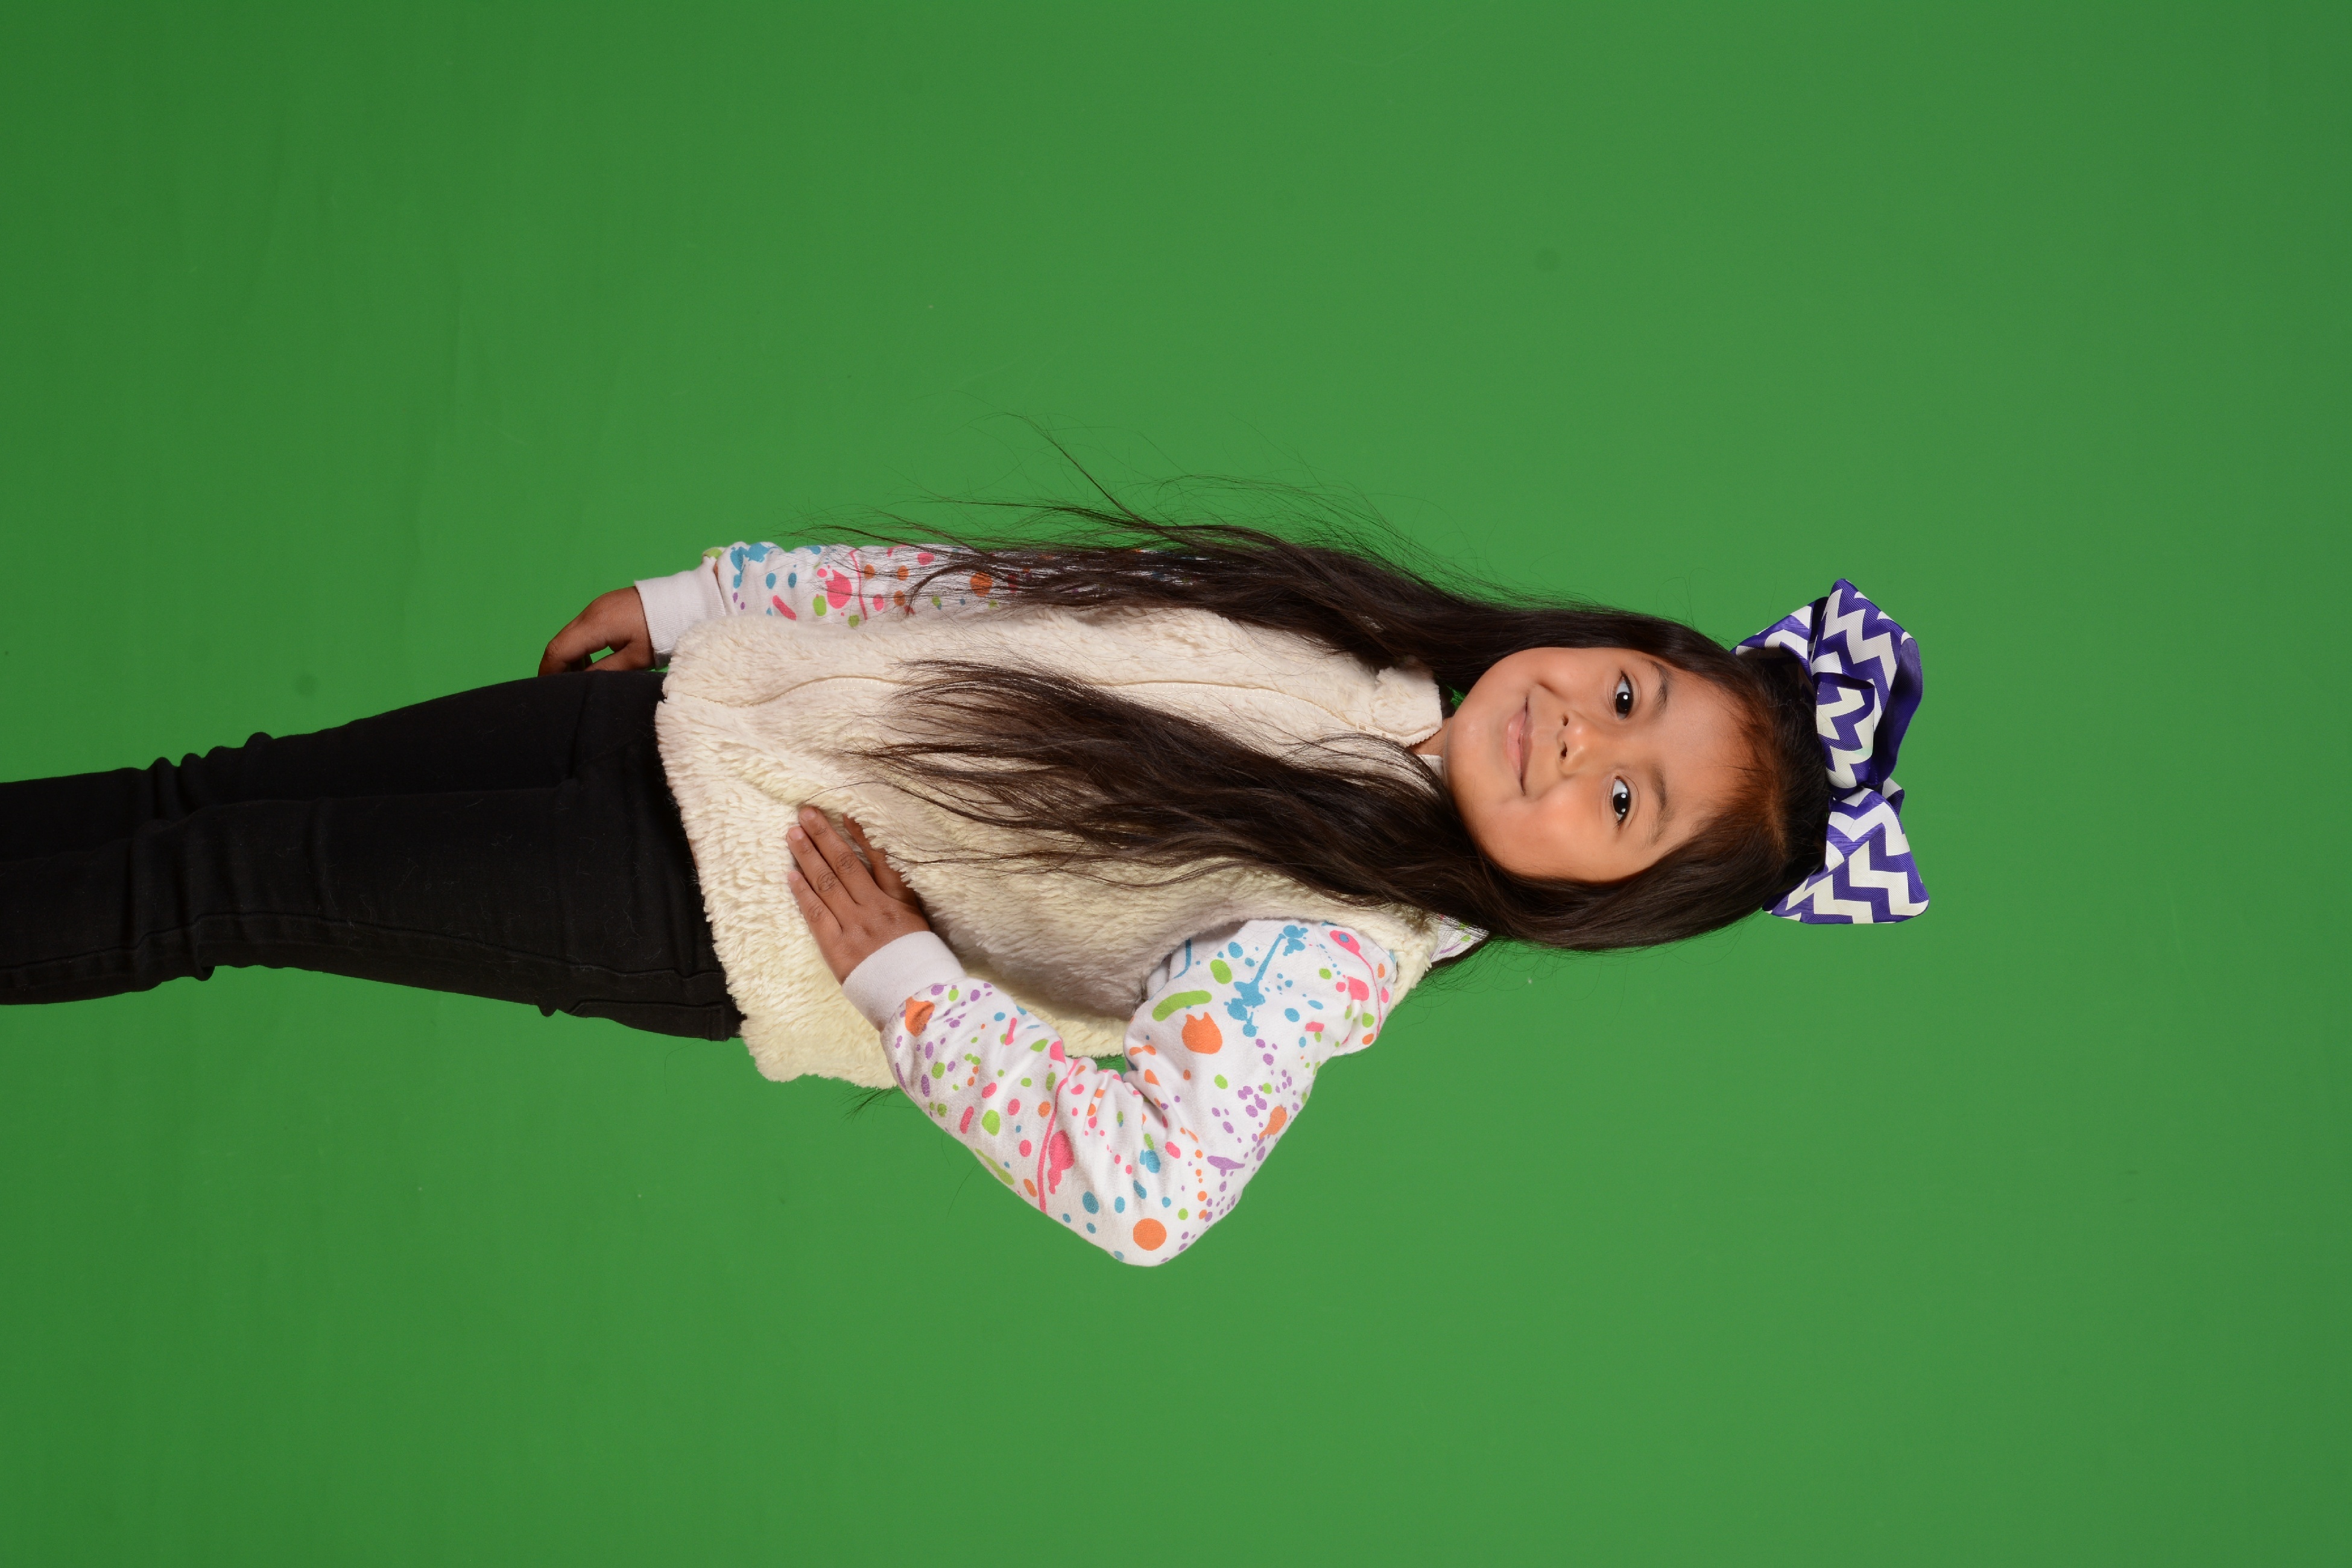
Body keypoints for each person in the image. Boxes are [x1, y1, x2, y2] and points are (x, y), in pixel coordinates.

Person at [0, 501, 1927, 1265]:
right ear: (1611, 640)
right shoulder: (1358, 644)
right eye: (1625, 697)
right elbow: (994, 594)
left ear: (1595, 897)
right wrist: (710, 597)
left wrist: (906, 980)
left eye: (1620, 803)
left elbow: (1151, 1193)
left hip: (695, 886)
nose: (1575, 744)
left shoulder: (1340, 944)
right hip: (688, 710)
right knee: (204, 801)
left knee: (216, 887)